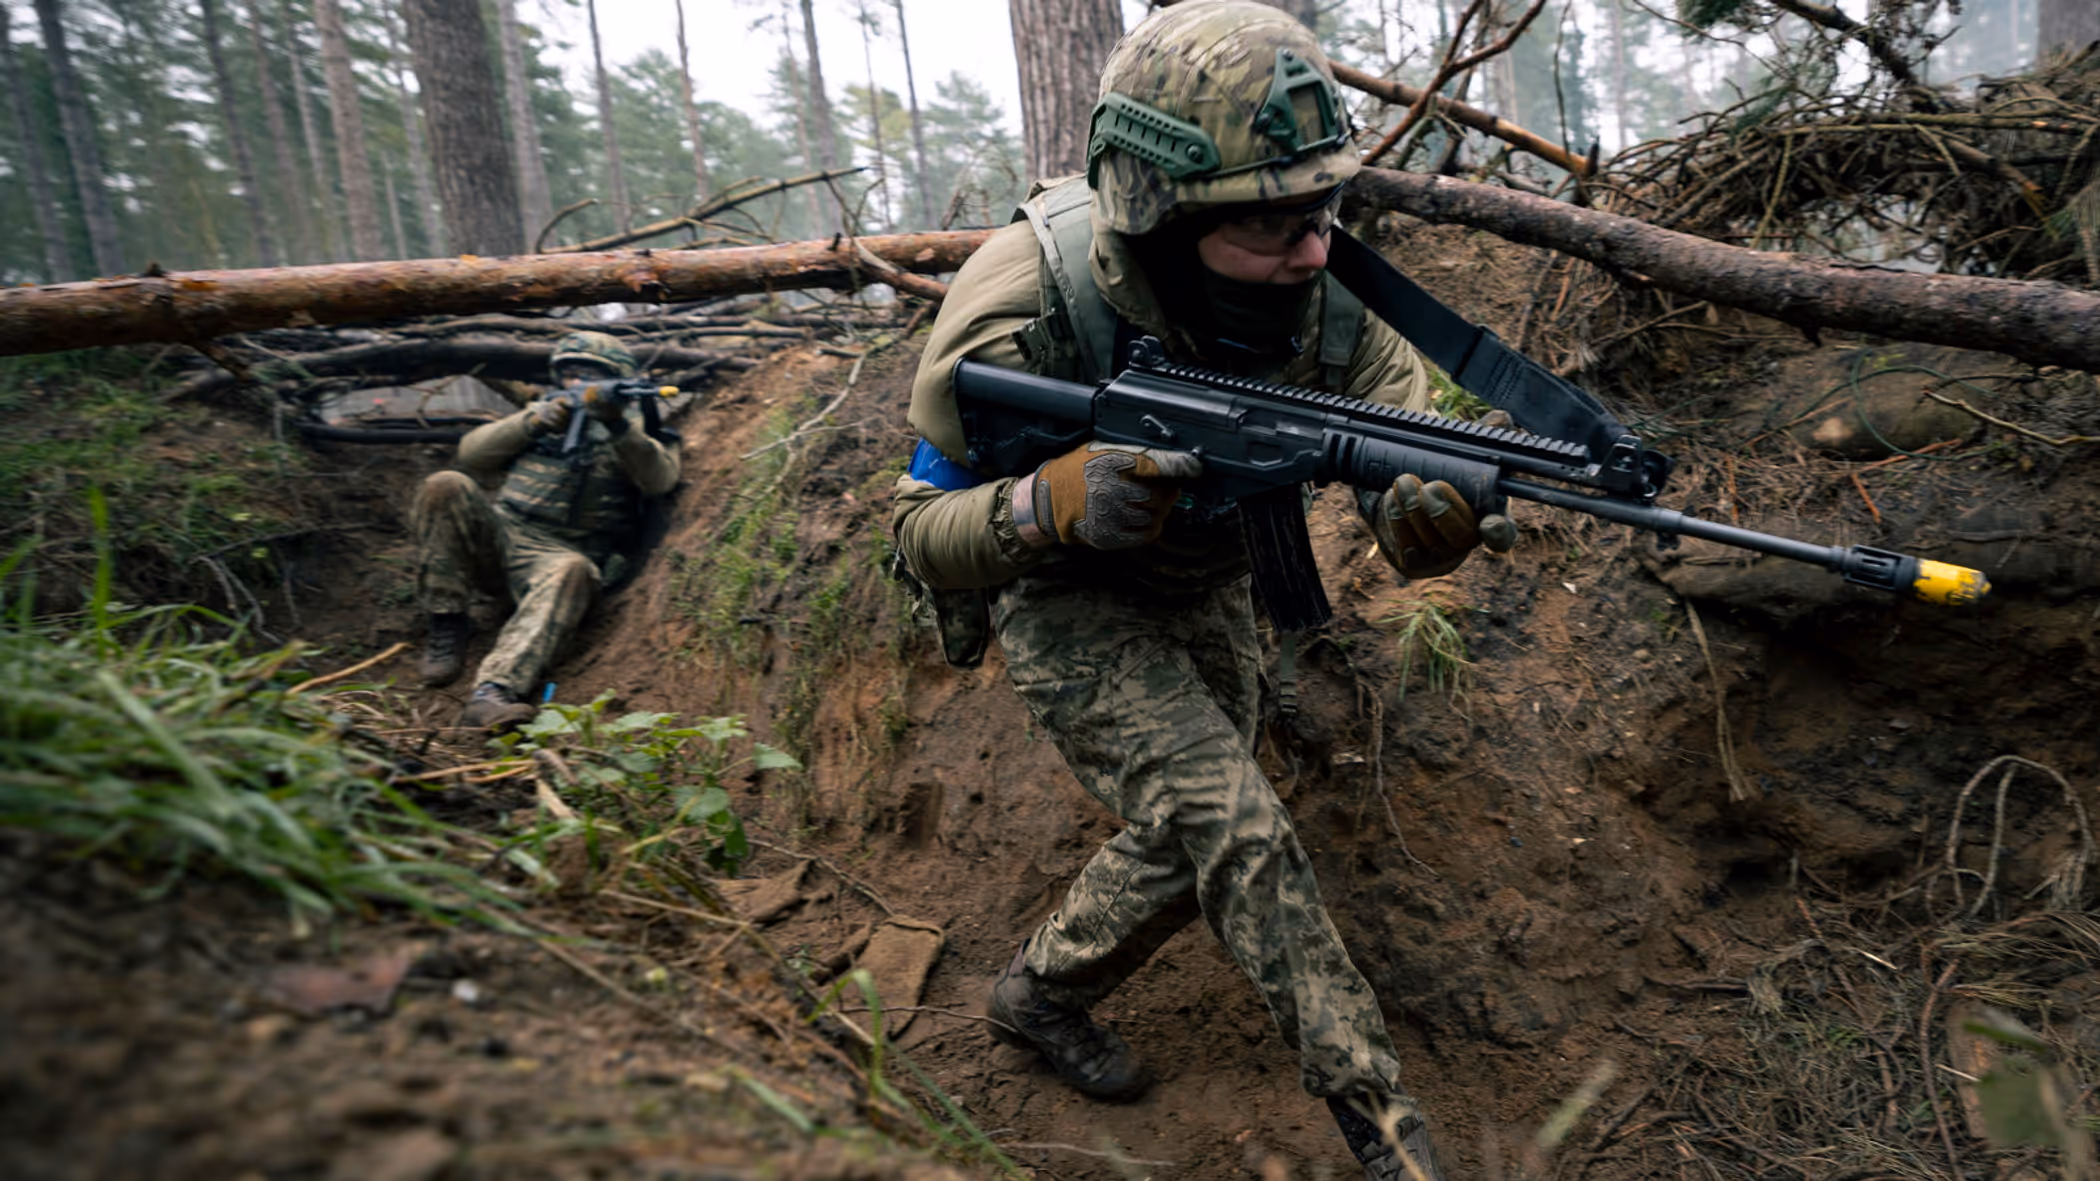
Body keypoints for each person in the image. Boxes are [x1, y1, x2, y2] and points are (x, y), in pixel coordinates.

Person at [888, 3, 1515, 1178]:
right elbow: (919, 532)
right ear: (1163, 213)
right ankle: (1385, 1130)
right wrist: (1047, 502)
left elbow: (1403, 465)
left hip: (1218, 573)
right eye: (1272, 224)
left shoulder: (1337, 299)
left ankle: (1037, 991)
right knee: (1235, 821)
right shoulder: (1029, 306)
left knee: (1191, 832)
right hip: (1067, 589)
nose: (1315, 250)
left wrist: (1423, 521)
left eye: (1323, 211)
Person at [412, 330, 682, 730]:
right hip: (501, 535)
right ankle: (447, 618)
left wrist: (618, 427)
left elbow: (660, 480)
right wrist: (532, 422)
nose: (577, 383)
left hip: (558, 555)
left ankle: (492, 692)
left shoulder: (639, 428)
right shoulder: (542, 412)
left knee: (572, 568)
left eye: (590, 375)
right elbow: (470, 455)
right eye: (570, 373)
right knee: (445, 484)